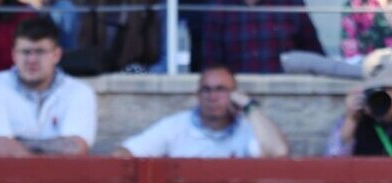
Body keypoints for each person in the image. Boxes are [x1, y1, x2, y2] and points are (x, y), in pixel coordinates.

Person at [0, 16, 97, 156]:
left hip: (61, 178)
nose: (32, 60)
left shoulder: (79, 91)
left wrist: (17, 143)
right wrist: (51, 147)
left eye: (40, 52)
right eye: (25, 52)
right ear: (14, 55)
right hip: (7, 176)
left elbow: (75, 149)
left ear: (56, 55)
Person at [116, 64, 288, 158]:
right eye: (206, 90)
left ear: (235, 95)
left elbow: (279, 152)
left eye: (221, 89)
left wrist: (249, 107)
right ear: (198, 95)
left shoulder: (249, 127)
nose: (212, 96)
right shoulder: (175, 126)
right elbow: (124, 154)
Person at [201, 0, 325, 75]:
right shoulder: (220, 6)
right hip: (236, 100)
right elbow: (211, 66)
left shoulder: (290, 3)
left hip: (286, 97)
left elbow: (316, 58)